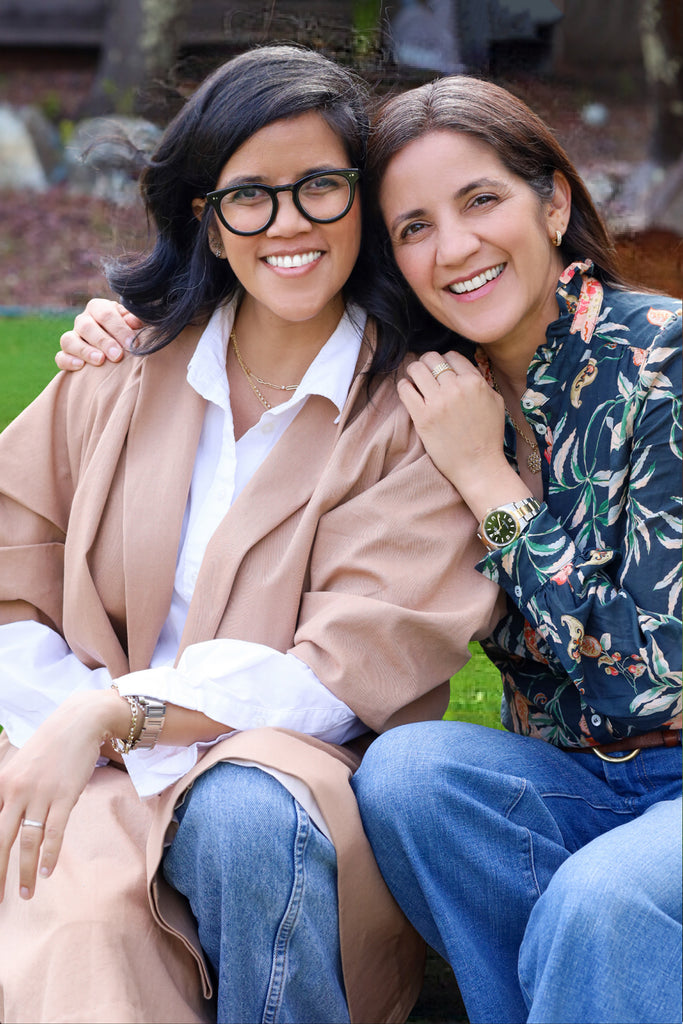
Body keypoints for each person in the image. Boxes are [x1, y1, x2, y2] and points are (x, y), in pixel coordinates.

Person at [56, 73, 683, 1024]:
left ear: (552, 200)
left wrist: (487, 482)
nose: (455, 246)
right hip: (571, 778)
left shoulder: (659, 366)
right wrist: (133, 323)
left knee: (605, 902)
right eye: (413, 227)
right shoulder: (436, 383)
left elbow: (642, 681)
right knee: (411, 773)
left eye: (481, 201)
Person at [0, 50, 502, 1024]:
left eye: (320, 186)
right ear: (203, 213)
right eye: (249, 197)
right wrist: (67, 719)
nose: (290, 224)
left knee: (239, 814)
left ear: (361, 198)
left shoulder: (415, 411)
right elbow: (10, 568)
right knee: (88, 932)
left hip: (291, 782)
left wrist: (120, 716)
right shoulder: (117, 370)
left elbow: (337, 671)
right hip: (84, 760)